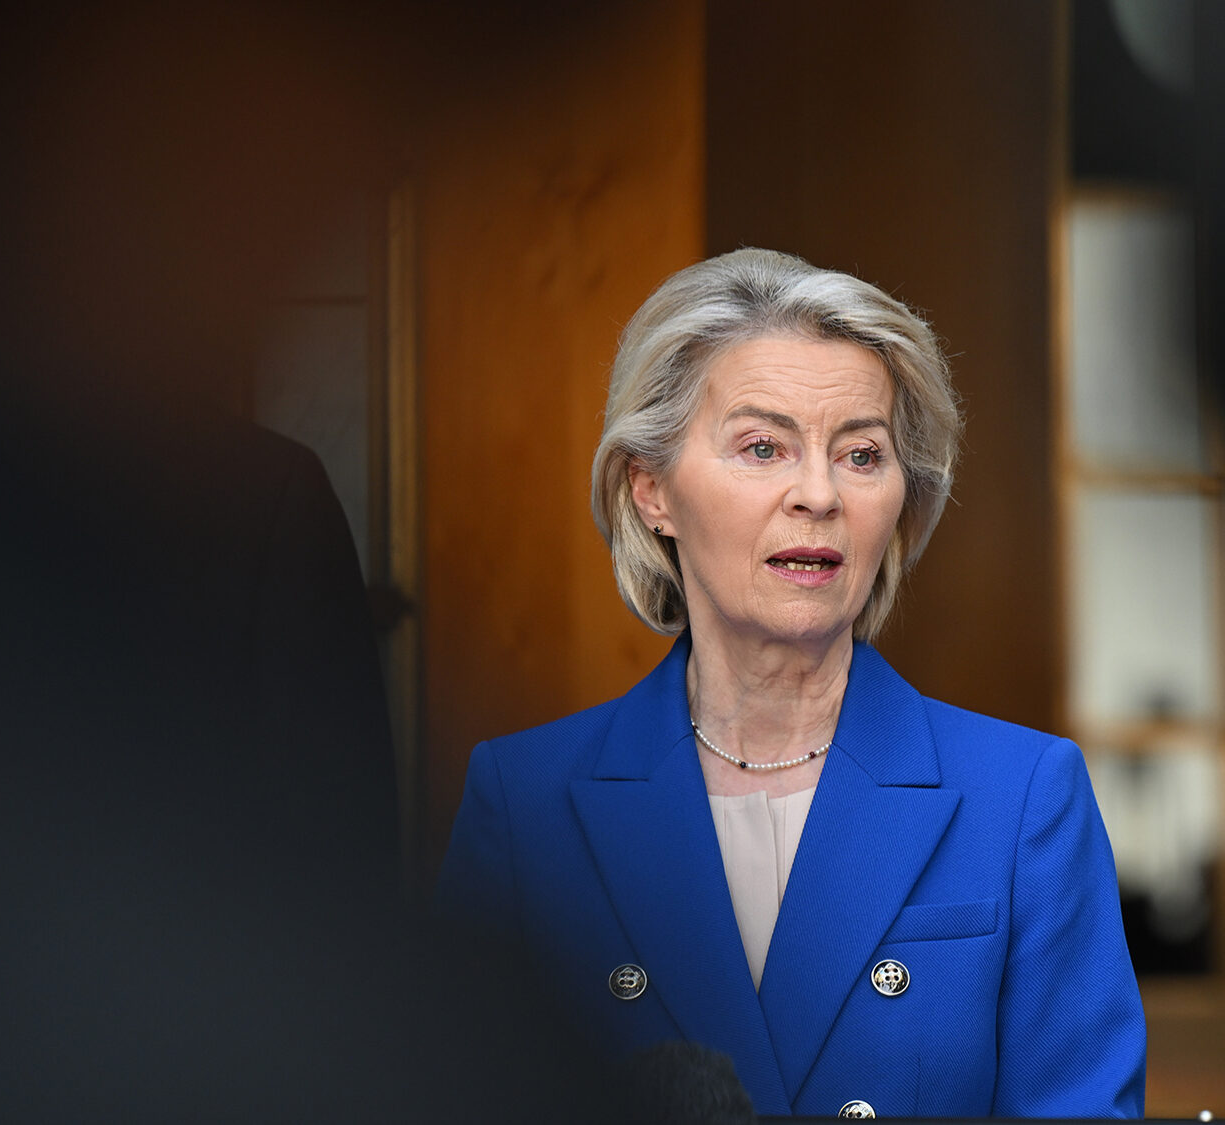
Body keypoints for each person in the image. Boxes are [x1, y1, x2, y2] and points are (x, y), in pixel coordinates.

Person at [435, 247, 1146, 1118]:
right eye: (763, 446)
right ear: (652, 489)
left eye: (861, 454)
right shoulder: (524, 805)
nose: (819, 493)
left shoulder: (1025, 796)